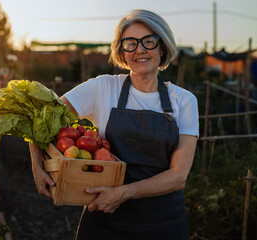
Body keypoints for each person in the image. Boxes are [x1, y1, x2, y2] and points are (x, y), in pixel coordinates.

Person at [30, 9, 199, 239]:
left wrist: (123, 192)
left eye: (148, 41)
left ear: (162, 47)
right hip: (104, 218)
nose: (140, 49)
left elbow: (178, 176)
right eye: (130, 43)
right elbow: (43, 118)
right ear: (122, 52)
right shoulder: (103, 88)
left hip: (163, 222)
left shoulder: (184, 101)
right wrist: (36, 166)